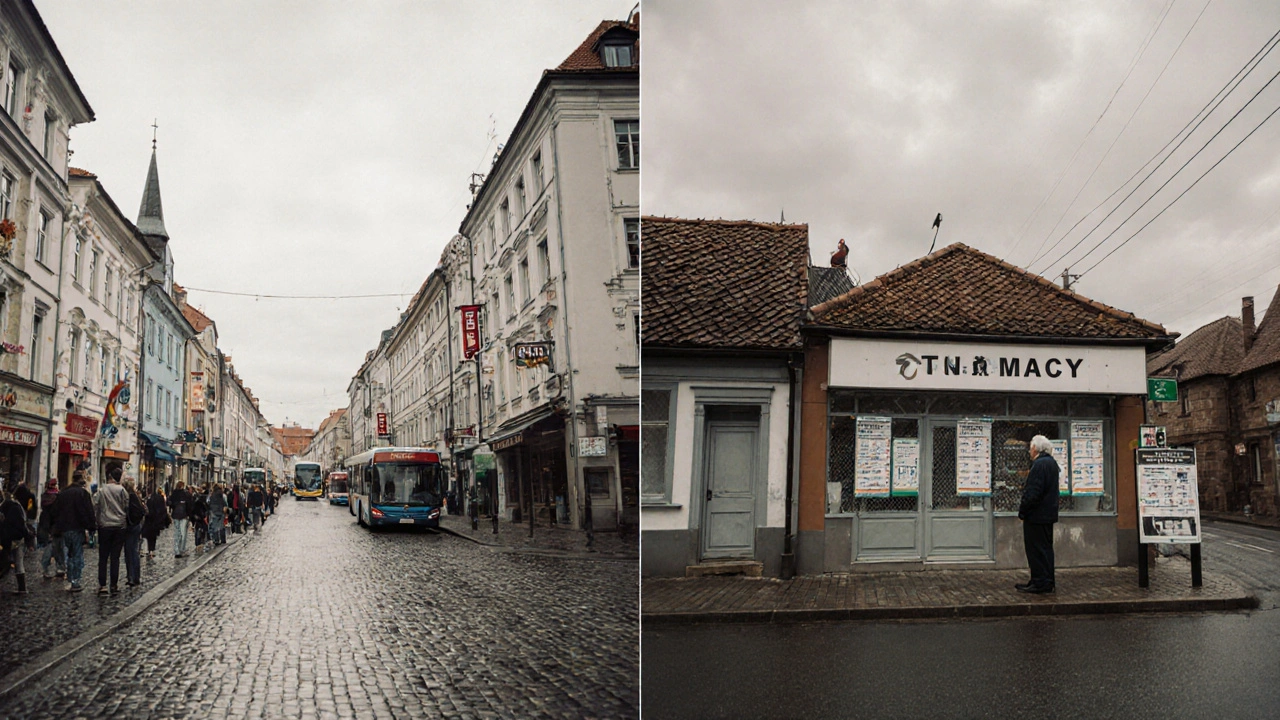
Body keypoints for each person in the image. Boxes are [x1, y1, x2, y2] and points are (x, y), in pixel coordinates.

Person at [1017, 434, 1060, 594]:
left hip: (1036, 516)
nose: (1029, 451)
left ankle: (1041, 582)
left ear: (1036, 448)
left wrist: (1023, 511)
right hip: (1047, 515)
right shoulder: (1051, 464)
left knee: (1036, 550)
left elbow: (1033, 492)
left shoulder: (1039, 465)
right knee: (1045, 549)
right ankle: (1044, 580)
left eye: (1030, 448)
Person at [52, 472, 95, 592]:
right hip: (77, 527)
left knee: (70, 554)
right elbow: (88, 511)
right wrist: (91, 527)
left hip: (65, 528)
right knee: (76, 554)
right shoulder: (83, 493)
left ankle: (71, 578)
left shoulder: (63, 493)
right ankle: (75, 580)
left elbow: (55, 511)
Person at [93, 468, 130, 595]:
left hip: (104, 526)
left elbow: (96, 506)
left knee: (103, 557)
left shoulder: (102, 490)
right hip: (119, 526)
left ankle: (102, 585)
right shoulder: (122, 490)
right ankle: (114, 584)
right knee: (115, 557)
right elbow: (126, 506)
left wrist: (98, 520)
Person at [0, 488, 34, 594]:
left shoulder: (8, 508)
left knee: (11, 561)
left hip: (9, 539)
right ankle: (22, 588)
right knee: (17, 563)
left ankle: (22, 588)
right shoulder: (15, 507)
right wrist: (29, 539)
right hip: (15, 539)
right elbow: (22, 526)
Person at [38, 479, 65, 579]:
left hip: (48, 526)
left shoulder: (45, 497)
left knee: (55, 547)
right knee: (54, 548)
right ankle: (55, 568)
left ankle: (55, 568)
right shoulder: (57, 498)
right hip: (54, 526)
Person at [122, 479, 146, 587]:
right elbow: (143, 511)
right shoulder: (136, 496)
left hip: (128, 526)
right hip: (136, 525)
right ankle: (136, 576)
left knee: (129, 551)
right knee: (134, 551)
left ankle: (131, 576)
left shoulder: (125, 496)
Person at [142, 487, 169, 559]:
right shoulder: (159, 498)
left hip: (149, 519)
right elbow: (163, 509)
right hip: (155, 520)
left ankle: (150, 549)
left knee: (149, 536)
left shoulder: (149, 499)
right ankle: (152, 549)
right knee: (153, 536)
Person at [167, 481, 192, 558]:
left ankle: (177, 550)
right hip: (184, 515)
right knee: (183, 533)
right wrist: (189, 515)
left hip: (175, 515)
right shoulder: (186, 494)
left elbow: (169, 503)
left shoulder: (174, 493)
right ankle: (182, 549)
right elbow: (189, 505)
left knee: (177, 532)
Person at [190, 486, 209, 553]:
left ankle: (198, 544)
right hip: (201, 519)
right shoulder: (203, 503)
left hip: (197, 519)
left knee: (198, 531)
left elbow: (192, 511)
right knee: (201, 531)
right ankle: (200, 543)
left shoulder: (196, 502)